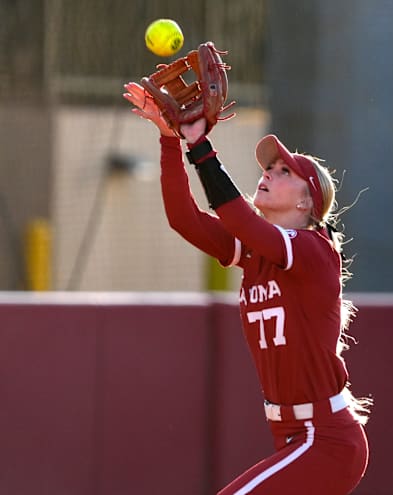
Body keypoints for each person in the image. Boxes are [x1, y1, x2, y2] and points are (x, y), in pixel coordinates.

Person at [123, 81, 370, 495]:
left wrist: (200, 146)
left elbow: (237, 218)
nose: (269, 173)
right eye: (269, 168)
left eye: (284, 171)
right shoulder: (255, 252)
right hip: (292, 436)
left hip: (324, 440)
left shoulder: (313, 251)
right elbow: (184, 219)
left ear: (307, 203)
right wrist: (170, 141)